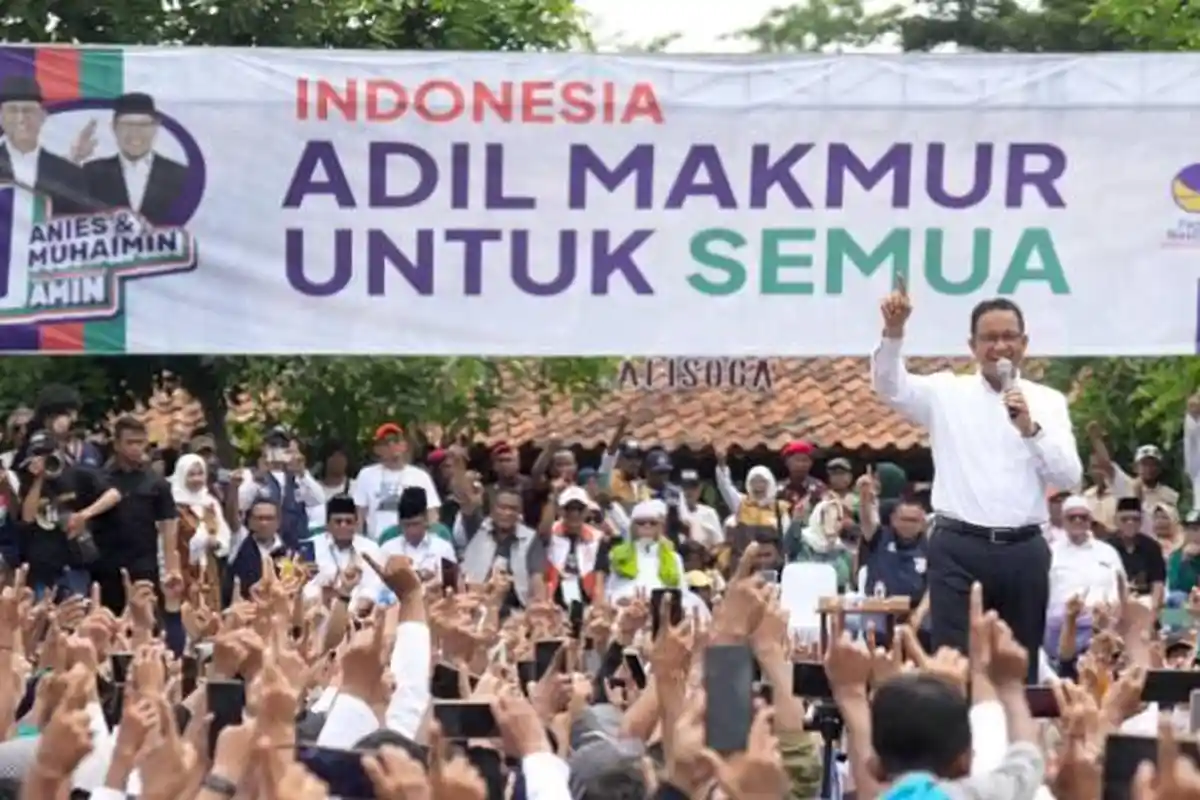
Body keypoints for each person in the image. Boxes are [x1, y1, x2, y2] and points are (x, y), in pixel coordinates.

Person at [871, 279, 1082, 683]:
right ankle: (958, 745)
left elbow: (1069, 475)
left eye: (1008, 337)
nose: (999, 347)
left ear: (1024, 343)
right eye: (989, 338)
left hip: (1023, 550)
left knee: (1018, 669)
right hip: (958, 548)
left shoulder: (1048, 402)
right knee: (955, 666)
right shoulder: (946, 392)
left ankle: (1014, 744)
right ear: (972, 346)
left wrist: (1030, 428)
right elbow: (889, 386)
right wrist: (894, 332)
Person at [16, 430, 120, 601]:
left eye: (49, 453)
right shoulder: (29, 481)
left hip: (74, 561)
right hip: (43, 564)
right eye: (39, 455)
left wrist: (85, 514)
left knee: (76, 612)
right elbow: (27, 517)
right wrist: (38, 479)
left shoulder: (78, 474)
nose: (45, 458)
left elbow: (114, 494)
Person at [92, 416, 177, 612]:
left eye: (140, 442)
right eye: (130, 442)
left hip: (144, 567)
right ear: (117, 444)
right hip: (107, 567)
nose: (136, 448)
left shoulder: (156, 483)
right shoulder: (99, 480)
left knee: (147, 626)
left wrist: (172, 568)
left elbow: (168, 528)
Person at [83, 92, 188, 226]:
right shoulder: (92, 173)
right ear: (114, 128)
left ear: (155, 127)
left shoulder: (180, 175)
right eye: (127, 125)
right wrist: (74, 157)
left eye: (143, 125)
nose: (135, 133)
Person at [0, 76, 89, 218]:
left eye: (28, 110)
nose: (21, 119)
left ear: (42, 116)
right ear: (1, 117)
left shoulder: (69, 174)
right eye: (13, 110)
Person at [234, 427, 322, 551]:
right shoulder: (250, 475)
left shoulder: (298, 477)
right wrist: (258, 477)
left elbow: (318, 500)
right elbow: (240, 504)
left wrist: (302, 473)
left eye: (283, 446)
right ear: (263, 447)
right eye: (273, 445)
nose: (278, 450)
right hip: (260, 547)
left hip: (294, 547)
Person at [354, 422, 440, 540]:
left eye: (396, 441)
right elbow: (359, 515)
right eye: (386, 443)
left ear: (404, 446)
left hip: (412, 542)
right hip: (376, 543)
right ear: (377, 449)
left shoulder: (420, 476)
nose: (392, 445)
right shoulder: (366, 475)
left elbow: (432, 514)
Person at [303, 494, 382, 614]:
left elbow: (374, 586)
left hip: (358, 613)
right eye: (338, 521)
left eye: (348, 521)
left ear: (356, 524)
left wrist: (360, 606)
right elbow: (305, 587)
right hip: (318, 612)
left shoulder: (370, 548)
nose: (343, 526)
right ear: (327, 525)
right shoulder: (311, 547)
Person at [170, 452, 231, 608]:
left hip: (209, 567)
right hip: (183, 569)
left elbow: (223, 530)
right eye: (191, 475)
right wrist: (202, 541)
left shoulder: (210, 502)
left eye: (200, 474)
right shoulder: (174, 505)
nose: (197, 479)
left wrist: (218, 542)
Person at [378, 487, 454, 582]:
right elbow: (378, 586)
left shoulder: (443, 548)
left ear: (426, 519)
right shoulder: (388, 549)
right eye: (407, 525)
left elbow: (452, 584)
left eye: (416, 524)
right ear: (399, 523)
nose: (412, 531)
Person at [224, 497, 287, 605]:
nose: (264, 523)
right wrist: (234, 487)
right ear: (250, 521)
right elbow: (232, 519)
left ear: (278, 522)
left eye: (269, 518)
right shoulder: (239, 542)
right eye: (259, 518)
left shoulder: (288, 552)